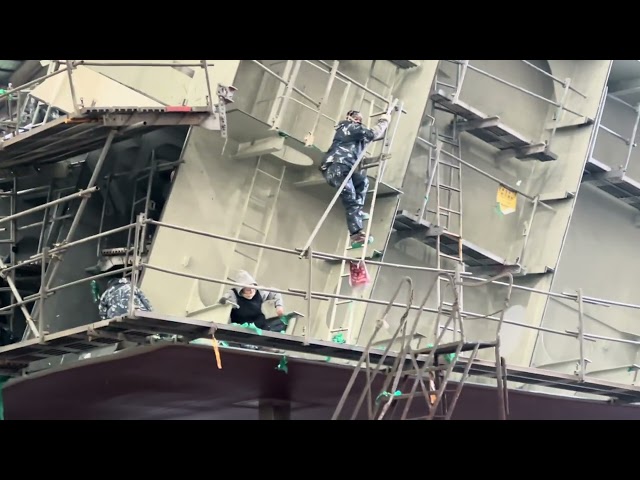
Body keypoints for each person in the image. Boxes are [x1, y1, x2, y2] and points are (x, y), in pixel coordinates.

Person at [319, 110, 391, 248]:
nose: (359, 120)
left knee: (363, 182)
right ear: (350, 118)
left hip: (343, 168)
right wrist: (384, 121)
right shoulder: (348, 126)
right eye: (356, 118)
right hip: (337, 166)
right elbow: (372, 134)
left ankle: (357, 212)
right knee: (350, 199)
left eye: (360, 118)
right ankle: (356, 235)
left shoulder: (353, 132)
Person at [220, 270, 286, 333]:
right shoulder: (233, 295)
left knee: (284, 321)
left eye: (253, 288)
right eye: (248, 289)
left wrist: (279, 306)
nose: (251, 291)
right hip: (241, 330)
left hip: (261, 328)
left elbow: (276, 292)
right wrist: (226, 302)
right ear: (241, 290)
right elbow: (221, 304)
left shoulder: (259, 291)